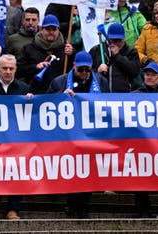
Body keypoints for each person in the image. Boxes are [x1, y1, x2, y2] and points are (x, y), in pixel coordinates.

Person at [47, 51, 110, 219]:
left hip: (92, 134)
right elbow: (46, 105)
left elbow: (110, 105)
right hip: (68, 135)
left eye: (87, 70)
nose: (83, 73)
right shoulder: (59, 82)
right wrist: (61, 97)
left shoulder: (101, 82)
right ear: (73, 65)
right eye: (80, 69)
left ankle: (82, 206)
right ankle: (71, 203)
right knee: (73, 169)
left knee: (88, 170)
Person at [0, 54, 33, 220]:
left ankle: (13, 208)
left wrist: (32, 102)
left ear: (16, 69)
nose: (8, 71)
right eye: (4, 68)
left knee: (17, 171)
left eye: (11, 68)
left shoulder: (24, 89)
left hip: (17, 140)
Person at [132, 62, 158, 217]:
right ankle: (143, 210)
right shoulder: (134, 95)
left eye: (153, 74)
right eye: (147, 74)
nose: (149, 77)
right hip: (142, 144)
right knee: (141, 175)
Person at [17, 14, 74, 93]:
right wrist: (35, 67)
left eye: (54, 29)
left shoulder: (66, 49)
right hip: (35, 95)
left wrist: (72, 54)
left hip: (59, 95)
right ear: (41, 29)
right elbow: (18, 70)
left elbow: (75, 71)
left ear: (59, 30)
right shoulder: (29, 48)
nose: (51, 32)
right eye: (48, 29)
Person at [90, 23, 141, 92]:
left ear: (124, 38)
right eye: (112, 40)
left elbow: (134, 72)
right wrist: (97, 71)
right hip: (101, 96)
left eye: (118, 40)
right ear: (108, 38)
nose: (115, 43)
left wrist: (118, 56)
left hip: (124, 96)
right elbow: (85, 72)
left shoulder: (131, 52)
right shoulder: (97, 50)